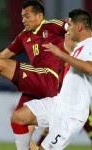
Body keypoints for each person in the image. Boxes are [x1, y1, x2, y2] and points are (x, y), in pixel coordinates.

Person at [10, 9, 92, 149]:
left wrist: (61, 54)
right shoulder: (80, 46)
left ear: (79, 27)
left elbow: (90, 68)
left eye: (70, 25)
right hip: (58, 104)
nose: (68, 29)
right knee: (18, 117)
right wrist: (68, 50)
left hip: (72, 115)